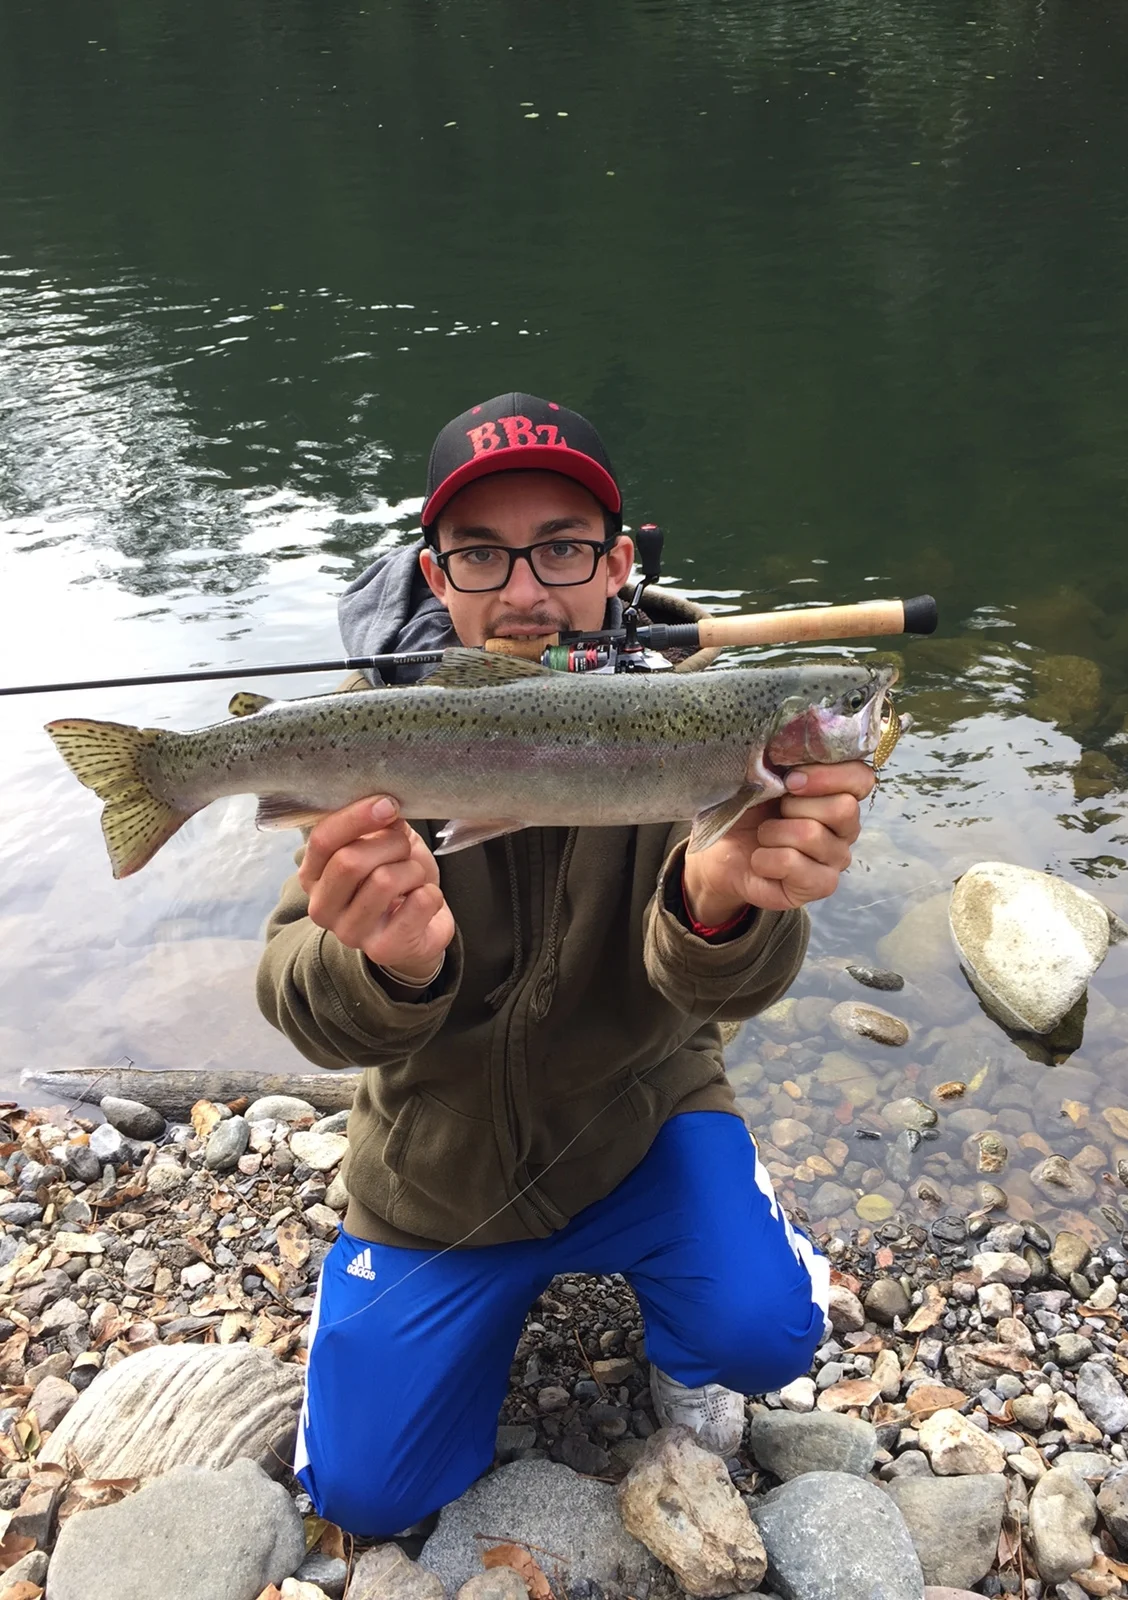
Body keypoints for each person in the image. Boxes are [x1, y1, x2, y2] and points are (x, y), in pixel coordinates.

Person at [257, 392, 875, 1536]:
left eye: (561, 547)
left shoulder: (691, 725)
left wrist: (717, 907)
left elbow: (728, 990)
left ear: (618, 563)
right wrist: (387, 969)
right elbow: (295, 997)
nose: (525, 591)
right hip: (443, 1173)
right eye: (481, 554)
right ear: (435, 576)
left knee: (768, 1334)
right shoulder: (374, 731)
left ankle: (704, 1313)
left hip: (638, 1125)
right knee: (365, 1494)